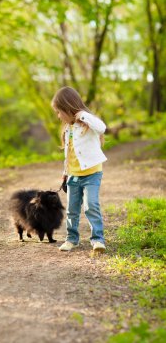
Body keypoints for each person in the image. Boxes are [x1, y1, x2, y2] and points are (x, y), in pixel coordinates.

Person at [51, 86, 107, 252]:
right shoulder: (68, 129)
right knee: (72, 210)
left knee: (91, 206)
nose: (58, 116)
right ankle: (71, 239)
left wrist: (82, 114)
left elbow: (102, 127)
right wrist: (65, 174)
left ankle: (98, 239)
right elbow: (69, 155)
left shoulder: (88, 124)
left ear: (68, 108)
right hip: (74, 176)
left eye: (59, 111)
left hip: (92, 174)